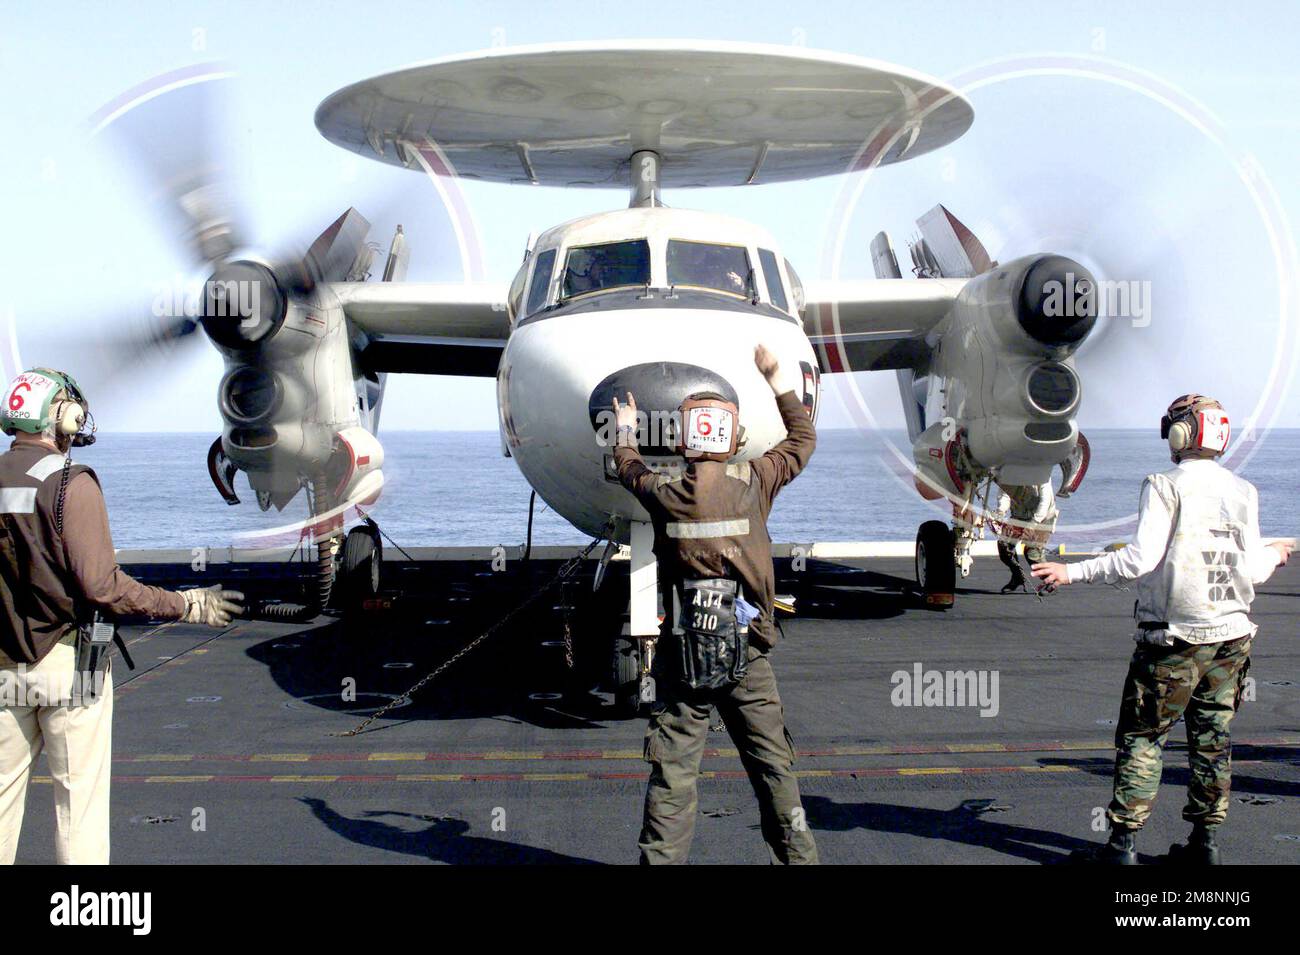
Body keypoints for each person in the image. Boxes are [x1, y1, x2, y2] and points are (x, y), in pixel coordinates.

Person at [1032, 394, 1290, 864]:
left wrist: (1073, 572)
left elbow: (1139, 559)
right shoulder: (1243, 491)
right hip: (1231, 637)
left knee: (1143, 738)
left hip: (1174, 641)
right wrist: (1275, 552)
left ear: (1181, 434)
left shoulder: (1164, 485)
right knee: (1212, 740)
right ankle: (1204, 847)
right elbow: (1253, 572)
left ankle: (1122, 848)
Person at [0, 368, 243, 864]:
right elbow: (102, 587)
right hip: (72, 669)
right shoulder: (72, 483)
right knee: (78, 812)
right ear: (59, 416)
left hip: (4, 671)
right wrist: (186, 603)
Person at [611, 344, 819, 864]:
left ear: (685, 439)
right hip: (747, 653)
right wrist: (776, 380)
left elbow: (627, 465)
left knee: (673, 776)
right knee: (774, 769)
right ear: (733, 439)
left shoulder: (666, 492)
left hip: (685, 656)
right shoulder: (754, 483)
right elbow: (803, 439)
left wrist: (626, 426)